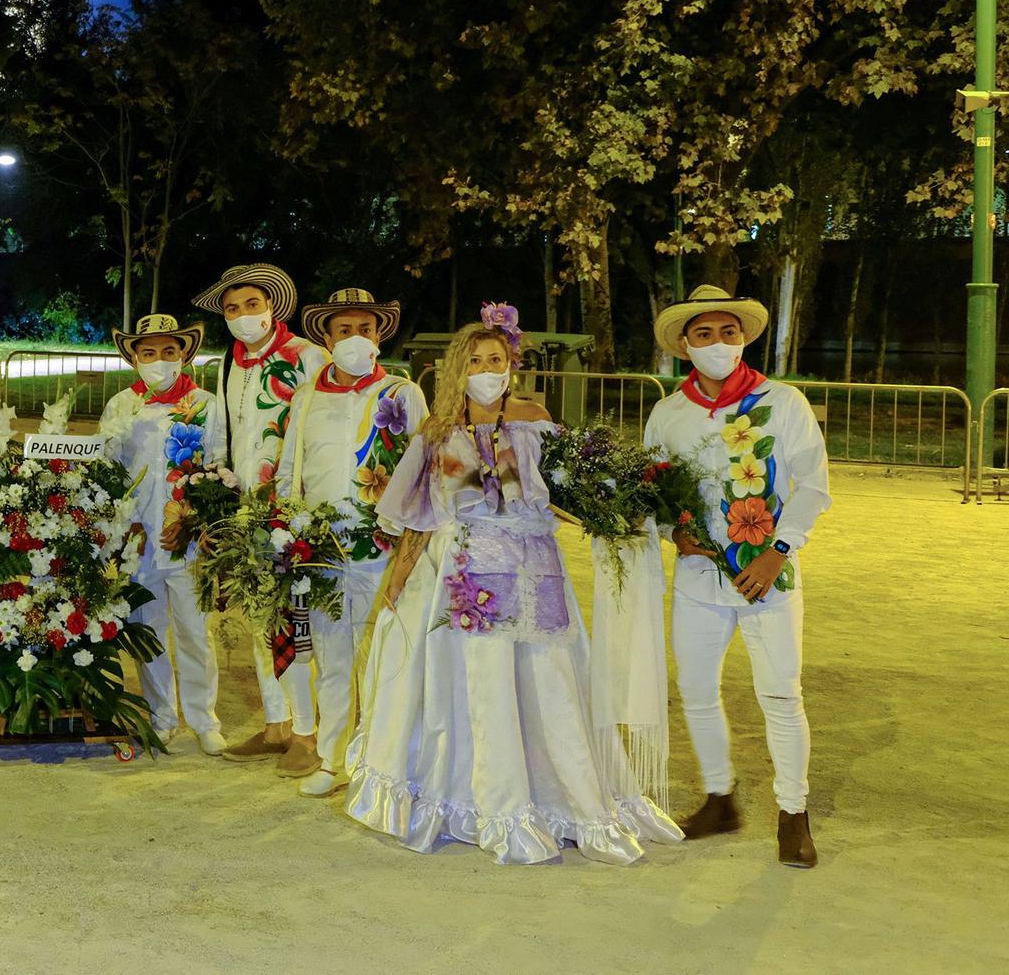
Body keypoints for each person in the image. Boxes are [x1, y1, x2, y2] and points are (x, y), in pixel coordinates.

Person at [344, 309, 681, 865]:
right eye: (474, 361)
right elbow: (420, 515)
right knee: (476, 685)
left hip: (532, 570)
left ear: (511, 364)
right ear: (458, 368)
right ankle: (479, 799)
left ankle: (558, 795)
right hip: (465, 573)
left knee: (546, 680)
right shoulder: (439, 433)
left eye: (494, 359)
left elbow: (566, 495)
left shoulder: (536, 419)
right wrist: (399, 577)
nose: (485, 369)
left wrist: (612, 515)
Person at [643, 285, 828, 868]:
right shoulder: (669, 412)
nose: (719, 343)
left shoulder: (782, 402)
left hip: (768, 578)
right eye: (705, 334)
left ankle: (792, 813)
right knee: (697, 691)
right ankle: (719, 797)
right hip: (698, 578)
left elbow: (814, 485)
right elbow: (650, 490)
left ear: (744, 338)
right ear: (684, 346)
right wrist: (673, 532)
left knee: (779, 693)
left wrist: (778, 550)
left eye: (729, 332)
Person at [273, 288, 428, 796]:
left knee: (386, 656)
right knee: (333, 657)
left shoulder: (401, 395)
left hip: (383, 548)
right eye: (344, 330)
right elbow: (289, 472)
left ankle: (384, 765)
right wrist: (284, 526)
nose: (355, 338)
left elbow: (422, 470)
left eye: (365, 329)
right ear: (327, 337)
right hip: (320, 548)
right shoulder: (306, 396)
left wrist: (409, 539)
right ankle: (333, 759)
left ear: (379, 336)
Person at [190, 262, 326, 761]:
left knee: (297, 620)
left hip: (293, 508)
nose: (243, 315)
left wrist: (304, 506)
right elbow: (222, 434)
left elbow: (321, 431)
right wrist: (214, 500)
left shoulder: (308, 357)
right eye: (232, 308)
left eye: (252, 305)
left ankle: (312, 734)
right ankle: (276, 724)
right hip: (244, 508)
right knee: (258, 615)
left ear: (273, 306)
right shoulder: (229, 363)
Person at [99, 313, 228, 756]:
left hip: (185, 537)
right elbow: (108, 471)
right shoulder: (121, 405)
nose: (158, 360)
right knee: (147, 629)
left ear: (183, 354)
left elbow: (217, 466)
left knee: (196, 631)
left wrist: (194, 519)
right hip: (139, 540)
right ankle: (161, 714)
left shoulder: (205, 403)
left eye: (168, 351)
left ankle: (203, 718)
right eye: (148, 352)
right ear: (134, 357)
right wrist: (121, 524)